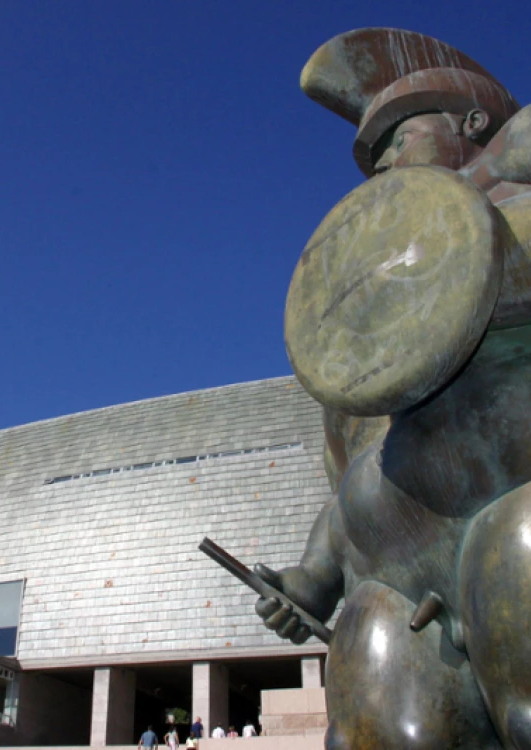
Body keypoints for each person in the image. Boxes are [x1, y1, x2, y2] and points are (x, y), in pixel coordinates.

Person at [255, 25, 531, 750]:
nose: (384, 177)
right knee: (379, 737)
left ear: (472, 124)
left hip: (514, 512)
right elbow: (350, 476)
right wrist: (313, 576)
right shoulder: (371, 323)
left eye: (399, 144)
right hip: (392, 576)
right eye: (371, 168)